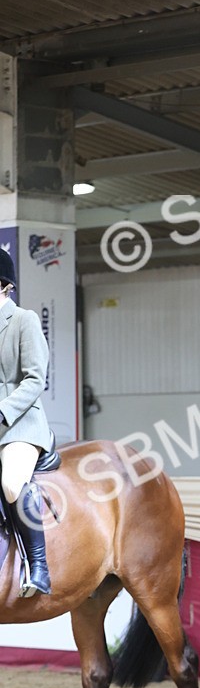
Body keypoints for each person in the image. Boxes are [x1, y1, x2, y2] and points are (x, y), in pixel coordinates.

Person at [0, 248, 52, 596]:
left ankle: (39, 566)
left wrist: (3, 411)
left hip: (19, 424)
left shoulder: (24, 320)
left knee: (10, 484)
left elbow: (35, 379)